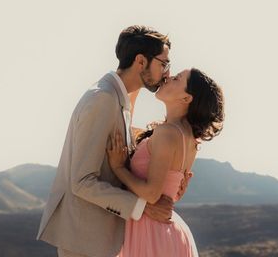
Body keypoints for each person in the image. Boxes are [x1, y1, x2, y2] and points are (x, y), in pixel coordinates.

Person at [37, 25, 177, 257]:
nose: (167, 73)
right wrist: (144, 208)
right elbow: (82, 181)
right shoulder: (102, 98)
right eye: (164, 64)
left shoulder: (117, 97)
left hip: (98, 240)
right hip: (84, 241)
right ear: (141, 61)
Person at [107, 67, 225, 257]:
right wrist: (139, 81)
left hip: (147, 232)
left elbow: (152, 194)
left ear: (186, 98)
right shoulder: (189, 139)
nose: (169, 78)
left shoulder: (167, 133)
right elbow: (126, 125)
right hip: (167, 233)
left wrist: (118, 167)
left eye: (177, 79)